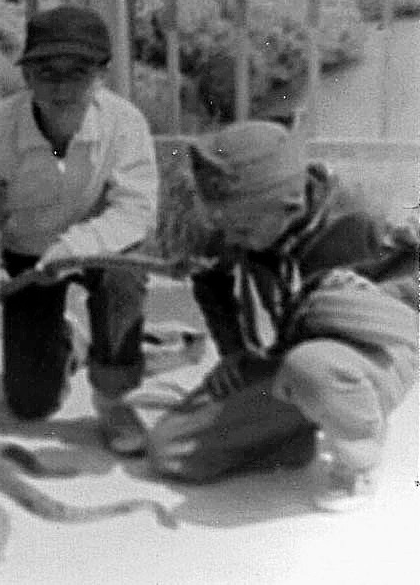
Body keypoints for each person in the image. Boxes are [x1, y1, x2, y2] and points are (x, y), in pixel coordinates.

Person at [146, 121, 418, 511]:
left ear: (289, 207)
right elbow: (211, 279)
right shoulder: (249, 215)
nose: (231, 239)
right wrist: (234, 352)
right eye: (223, 226)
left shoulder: (365, 225)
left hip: (377, 350)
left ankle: (359, 453)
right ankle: (299, 429)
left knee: (313, 369)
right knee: (171, 450)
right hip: (295, 351)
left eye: (240, 229)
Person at [0, 5, 159, 454]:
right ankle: (67, 342)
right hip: (26, 254)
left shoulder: (125, 124)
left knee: (126, 272)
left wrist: (72, 248)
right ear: (26, 76)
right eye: (47, 72)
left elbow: (135, 211)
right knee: (30, 405)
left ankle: (114, 395)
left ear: (102, 75)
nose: (62, 86)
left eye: (78, 72)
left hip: (98, 247)